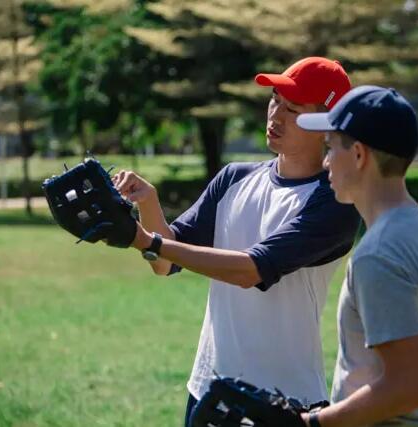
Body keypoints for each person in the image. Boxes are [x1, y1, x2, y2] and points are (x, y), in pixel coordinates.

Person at [112, 57, 360, 426]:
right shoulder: (232, 179)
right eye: (275, 100)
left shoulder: (335, 202)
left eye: (292, 108)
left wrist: (147, 241)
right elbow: (165, 263)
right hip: (208, 389)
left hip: (283, 405)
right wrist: (148, 204)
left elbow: (251, 269)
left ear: (327, 125)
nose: (275, 115)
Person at [296, 86, 418, 427]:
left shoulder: (378, 254)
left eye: (331, 147)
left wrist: (313, 423)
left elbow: (411, 386)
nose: (326, 161)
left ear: (359, 155)